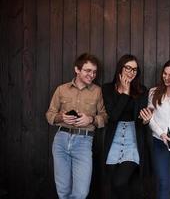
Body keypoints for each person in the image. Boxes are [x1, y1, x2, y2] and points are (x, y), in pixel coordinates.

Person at [46, 53, 108, 199]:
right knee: (63, 191)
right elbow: (49, 114)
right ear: (77, 69)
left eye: (94, 72)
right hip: (61, 139)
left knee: (81, 193)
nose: (91, 75)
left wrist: (91, 119)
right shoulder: (61, 89)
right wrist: (62, 117)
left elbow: (104, 117)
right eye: (87, 70)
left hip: (83, 142)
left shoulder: (97, 91)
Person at [102, 54, 151, 199]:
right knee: (115, 187)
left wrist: (146, 120)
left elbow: (141, 119)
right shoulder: (107, 88)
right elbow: (113, 116)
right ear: (120, 68)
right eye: (128, 68)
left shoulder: (142, 90)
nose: (131, 72)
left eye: (135, 70)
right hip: (114, 139)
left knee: (120, 183)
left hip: (133, 139)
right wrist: (125, 92)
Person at [140, 58, 170, 199]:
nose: (166, 77)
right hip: (159, 142)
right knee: (163, 182)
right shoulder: (153, 92)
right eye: (165, 74)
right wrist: (161, 134)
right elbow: (150, 118)